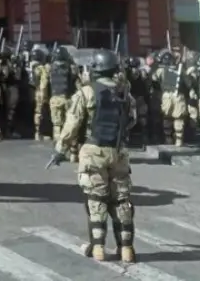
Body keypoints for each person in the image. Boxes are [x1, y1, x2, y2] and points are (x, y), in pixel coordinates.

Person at [50, 49, 137, 263]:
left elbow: (71, 125)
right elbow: (132, 120)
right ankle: (126, 249)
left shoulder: (86, 93)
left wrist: (60, 150)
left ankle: (98, 248)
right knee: (121, 201)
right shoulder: (125, 94)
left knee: (96, 200)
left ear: (94, 70)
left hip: (93, 151)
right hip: (118, 152)